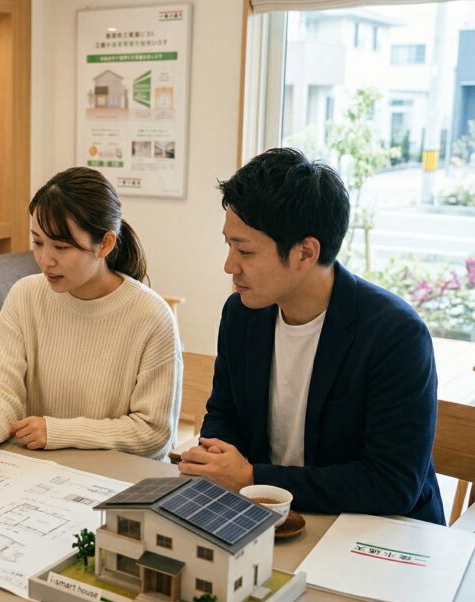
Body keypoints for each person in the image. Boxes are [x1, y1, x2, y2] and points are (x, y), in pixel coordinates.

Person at [179, 148, 444, 525]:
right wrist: (217, 462)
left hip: (375, 531)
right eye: (229, 245)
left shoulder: (395, 334)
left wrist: (254, 478)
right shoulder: (242, 313)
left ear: (305, 252)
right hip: (270, 517)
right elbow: (225, 413)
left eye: (245, 251)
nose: (229, 266)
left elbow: (393, 483)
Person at [0, 167, 182, 481]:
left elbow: (153, 433)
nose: (45, 259)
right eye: (37, 242)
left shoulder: (151, 316)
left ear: (105, 244)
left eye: (61, 247)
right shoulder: (26, 296)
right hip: (39, 472)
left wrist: (59, 431)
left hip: (117, 480)